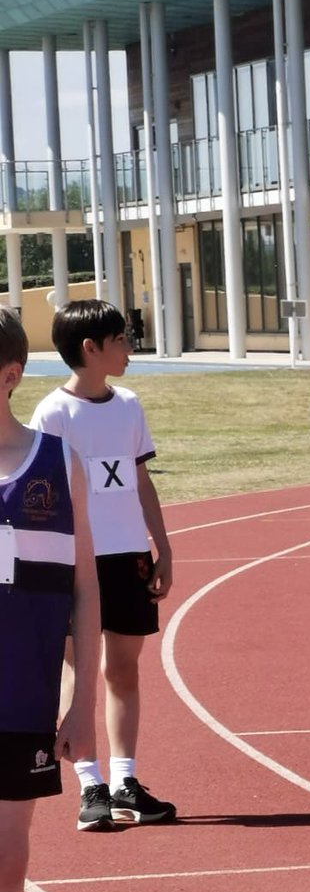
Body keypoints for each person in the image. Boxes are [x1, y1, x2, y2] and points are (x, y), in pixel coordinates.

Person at [30, 300, 176, 832]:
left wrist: (162, 547)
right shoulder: (53, 413)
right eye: (121, 339)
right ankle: (89, 784)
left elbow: (140, 480)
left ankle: (125, 781)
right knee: (80, 668)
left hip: (129, 556)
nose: (130, 348)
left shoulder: (129, 405)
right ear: (91, 348)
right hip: (77, 563)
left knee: (124, 670)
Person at [0, 305, 99, 892]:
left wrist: (84, 699)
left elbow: (83, 591)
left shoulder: (54, 462)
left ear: (9, 377)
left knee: (7, 864)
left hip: (22, 700)